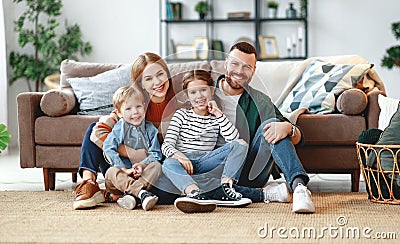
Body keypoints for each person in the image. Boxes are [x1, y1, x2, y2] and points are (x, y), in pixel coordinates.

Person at [213, 42, 315, 213]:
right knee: (195, 184)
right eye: (235, 64)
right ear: (225, 63)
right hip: (212, 172)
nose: (239, 71)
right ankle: (266, 193)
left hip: (249, 172)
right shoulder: (202, 93)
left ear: (253, 70)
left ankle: (299, 189)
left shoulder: (260, 101)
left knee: (272, 125)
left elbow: (298, 137)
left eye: (246, 67)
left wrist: (288, 128)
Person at [73, 52, 177, 210]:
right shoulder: (133, 106)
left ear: (167, 74)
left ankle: (126, 194)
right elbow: (98, 133)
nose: (157, 82)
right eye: (148, 78)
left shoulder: (179, 106)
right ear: (141, 83)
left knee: (170, 193)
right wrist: (130, 152)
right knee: (93, 128)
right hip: (122, 167)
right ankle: (89, 183)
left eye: (160, 74)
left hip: (150, 170)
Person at [161, 70, 251, 213]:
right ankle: (195, 193)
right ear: (187, 96)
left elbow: (233, 139)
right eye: (193, 92)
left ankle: (225, 188)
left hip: (205, 162)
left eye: (203, 90)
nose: (199, 96)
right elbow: (166, 145)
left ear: (211, 91)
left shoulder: (216, 117)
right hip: (182, 162)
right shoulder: (181, 115)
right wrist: (180, 157)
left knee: (241, 144)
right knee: (167, 164)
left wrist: (218, 114)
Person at [102, 85, 162, 211]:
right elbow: (108, 147)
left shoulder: (150, 129)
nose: (135, 112)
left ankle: (132, 196)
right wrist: (123, 169)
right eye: (128, 108)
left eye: (138, 107)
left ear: (144, 106)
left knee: (157, 165)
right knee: (110, 172)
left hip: (141, 176)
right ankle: (141, 194)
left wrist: (142, 165)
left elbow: (156, 154)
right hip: (121, 179)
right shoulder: (120, 127)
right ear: (119, 113)